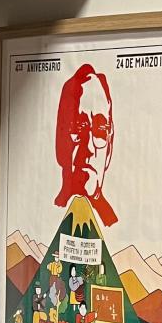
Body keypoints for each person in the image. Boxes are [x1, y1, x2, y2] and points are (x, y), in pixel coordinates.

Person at [54, 64, 117, 227]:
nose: (88, 148)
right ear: (60, 142)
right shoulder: (48, 217)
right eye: (77, 127)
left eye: (99, 129)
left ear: (109, 149)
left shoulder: (111, 220)